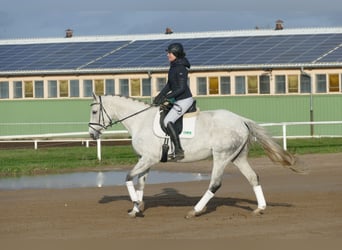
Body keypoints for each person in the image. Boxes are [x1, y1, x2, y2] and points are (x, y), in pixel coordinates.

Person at [153, 43, 194, 160]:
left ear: (176, 53)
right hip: (178, 99)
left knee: (168, 120)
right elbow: (170, 85)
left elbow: (181, 88)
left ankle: (179, 150)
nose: (168, 55)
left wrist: (167, 97)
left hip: (184, 100)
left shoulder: (181, 68)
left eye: (169, 53)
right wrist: (160, 95)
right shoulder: (173, 66)